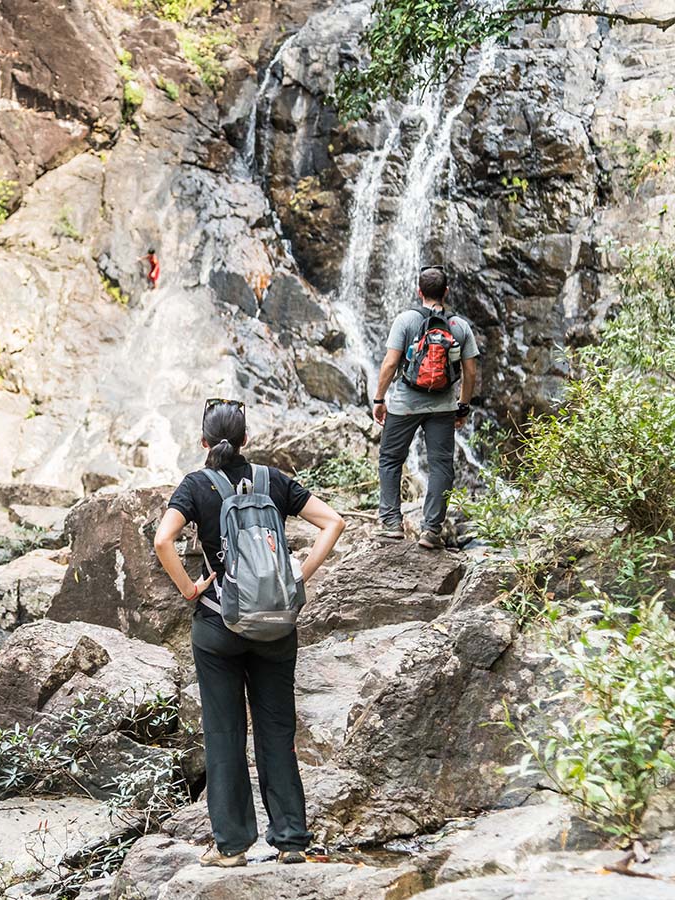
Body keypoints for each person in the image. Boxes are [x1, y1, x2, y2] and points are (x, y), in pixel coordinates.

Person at [153, 399, 346, 867]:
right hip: (276, 626)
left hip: (219, 624)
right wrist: (299, 575)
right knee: (277, 730)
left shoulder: (196, 485)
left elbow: (163, 540)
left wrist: (190, 590)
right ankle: (292, 841)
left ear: (204, 442)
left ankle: (232, 847)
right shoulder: (272, 480)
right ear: (246, 440)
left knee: (224, 733)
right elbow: (334, 522)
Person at [371, 265, 479, 549]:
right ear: (446, 291)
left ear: (418, 291)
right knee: (442, 466)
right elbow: (471, 372)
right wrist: (463, 406)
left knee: (391, 460)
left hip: (405, 404)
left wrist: (379, 399)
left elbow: (391, 363)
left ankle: (392, 524)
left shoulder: (405, 320)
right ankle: (431, 530)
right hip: (443, 406)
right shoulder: (459, 326)